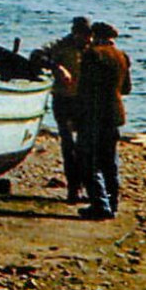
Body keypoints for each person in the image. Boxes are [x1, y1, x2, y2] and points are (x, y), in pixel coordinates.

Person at [76, 22, 131, 220]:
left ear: (95, 36)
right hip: (115, 114)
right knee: (110, 162)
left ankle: (100, 204)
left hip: (93, 114)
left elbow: (84, 88)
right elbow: (126, 89)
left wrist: (77, 115)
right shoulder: (122, 56)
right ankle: (113, 203)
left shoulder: (92, 55)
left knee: (89, 161)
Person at [37, 17, 92, 202]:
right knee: (68, 146)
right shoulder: (60, 45)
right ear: (75, 33)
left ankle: (86, 187)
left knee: (85, 147)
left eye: (89, 36)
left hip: (85, 102)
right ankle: (73, 188)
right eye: (84, 36)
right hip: (63, 100)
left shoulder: (92, 49)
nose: (87, 40)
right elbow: (37, 56)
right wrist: (57, 67)